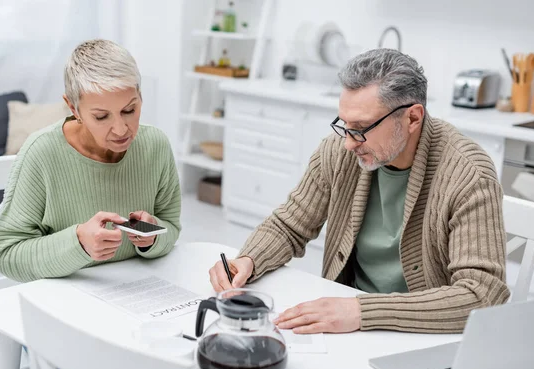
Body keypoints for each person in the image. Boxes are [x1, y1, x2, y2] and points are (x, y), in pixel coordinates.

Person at [209, 48, 509, 335]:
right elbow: (289, 225)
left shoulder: (468, 173)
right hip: (348, 320)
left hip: (423, 332)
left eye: (362, 127)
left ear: (413, 118)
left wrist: (362, 311)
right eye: (345, 124)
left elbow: (482, 293)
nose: (349, 142)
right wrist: (249, 259)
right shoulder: (339, 151)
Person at [0, 39, 180, 369]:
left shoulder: (155, 146)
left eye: (130, 109)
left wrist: (154, 238)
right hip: (56, 317)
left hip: (137, 310)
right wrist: (77, 242)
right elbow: (7, 254)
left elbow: (171, 225)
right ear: (73, 108)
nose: (121, 129)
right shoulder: (42, 153)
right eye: (101, 116)